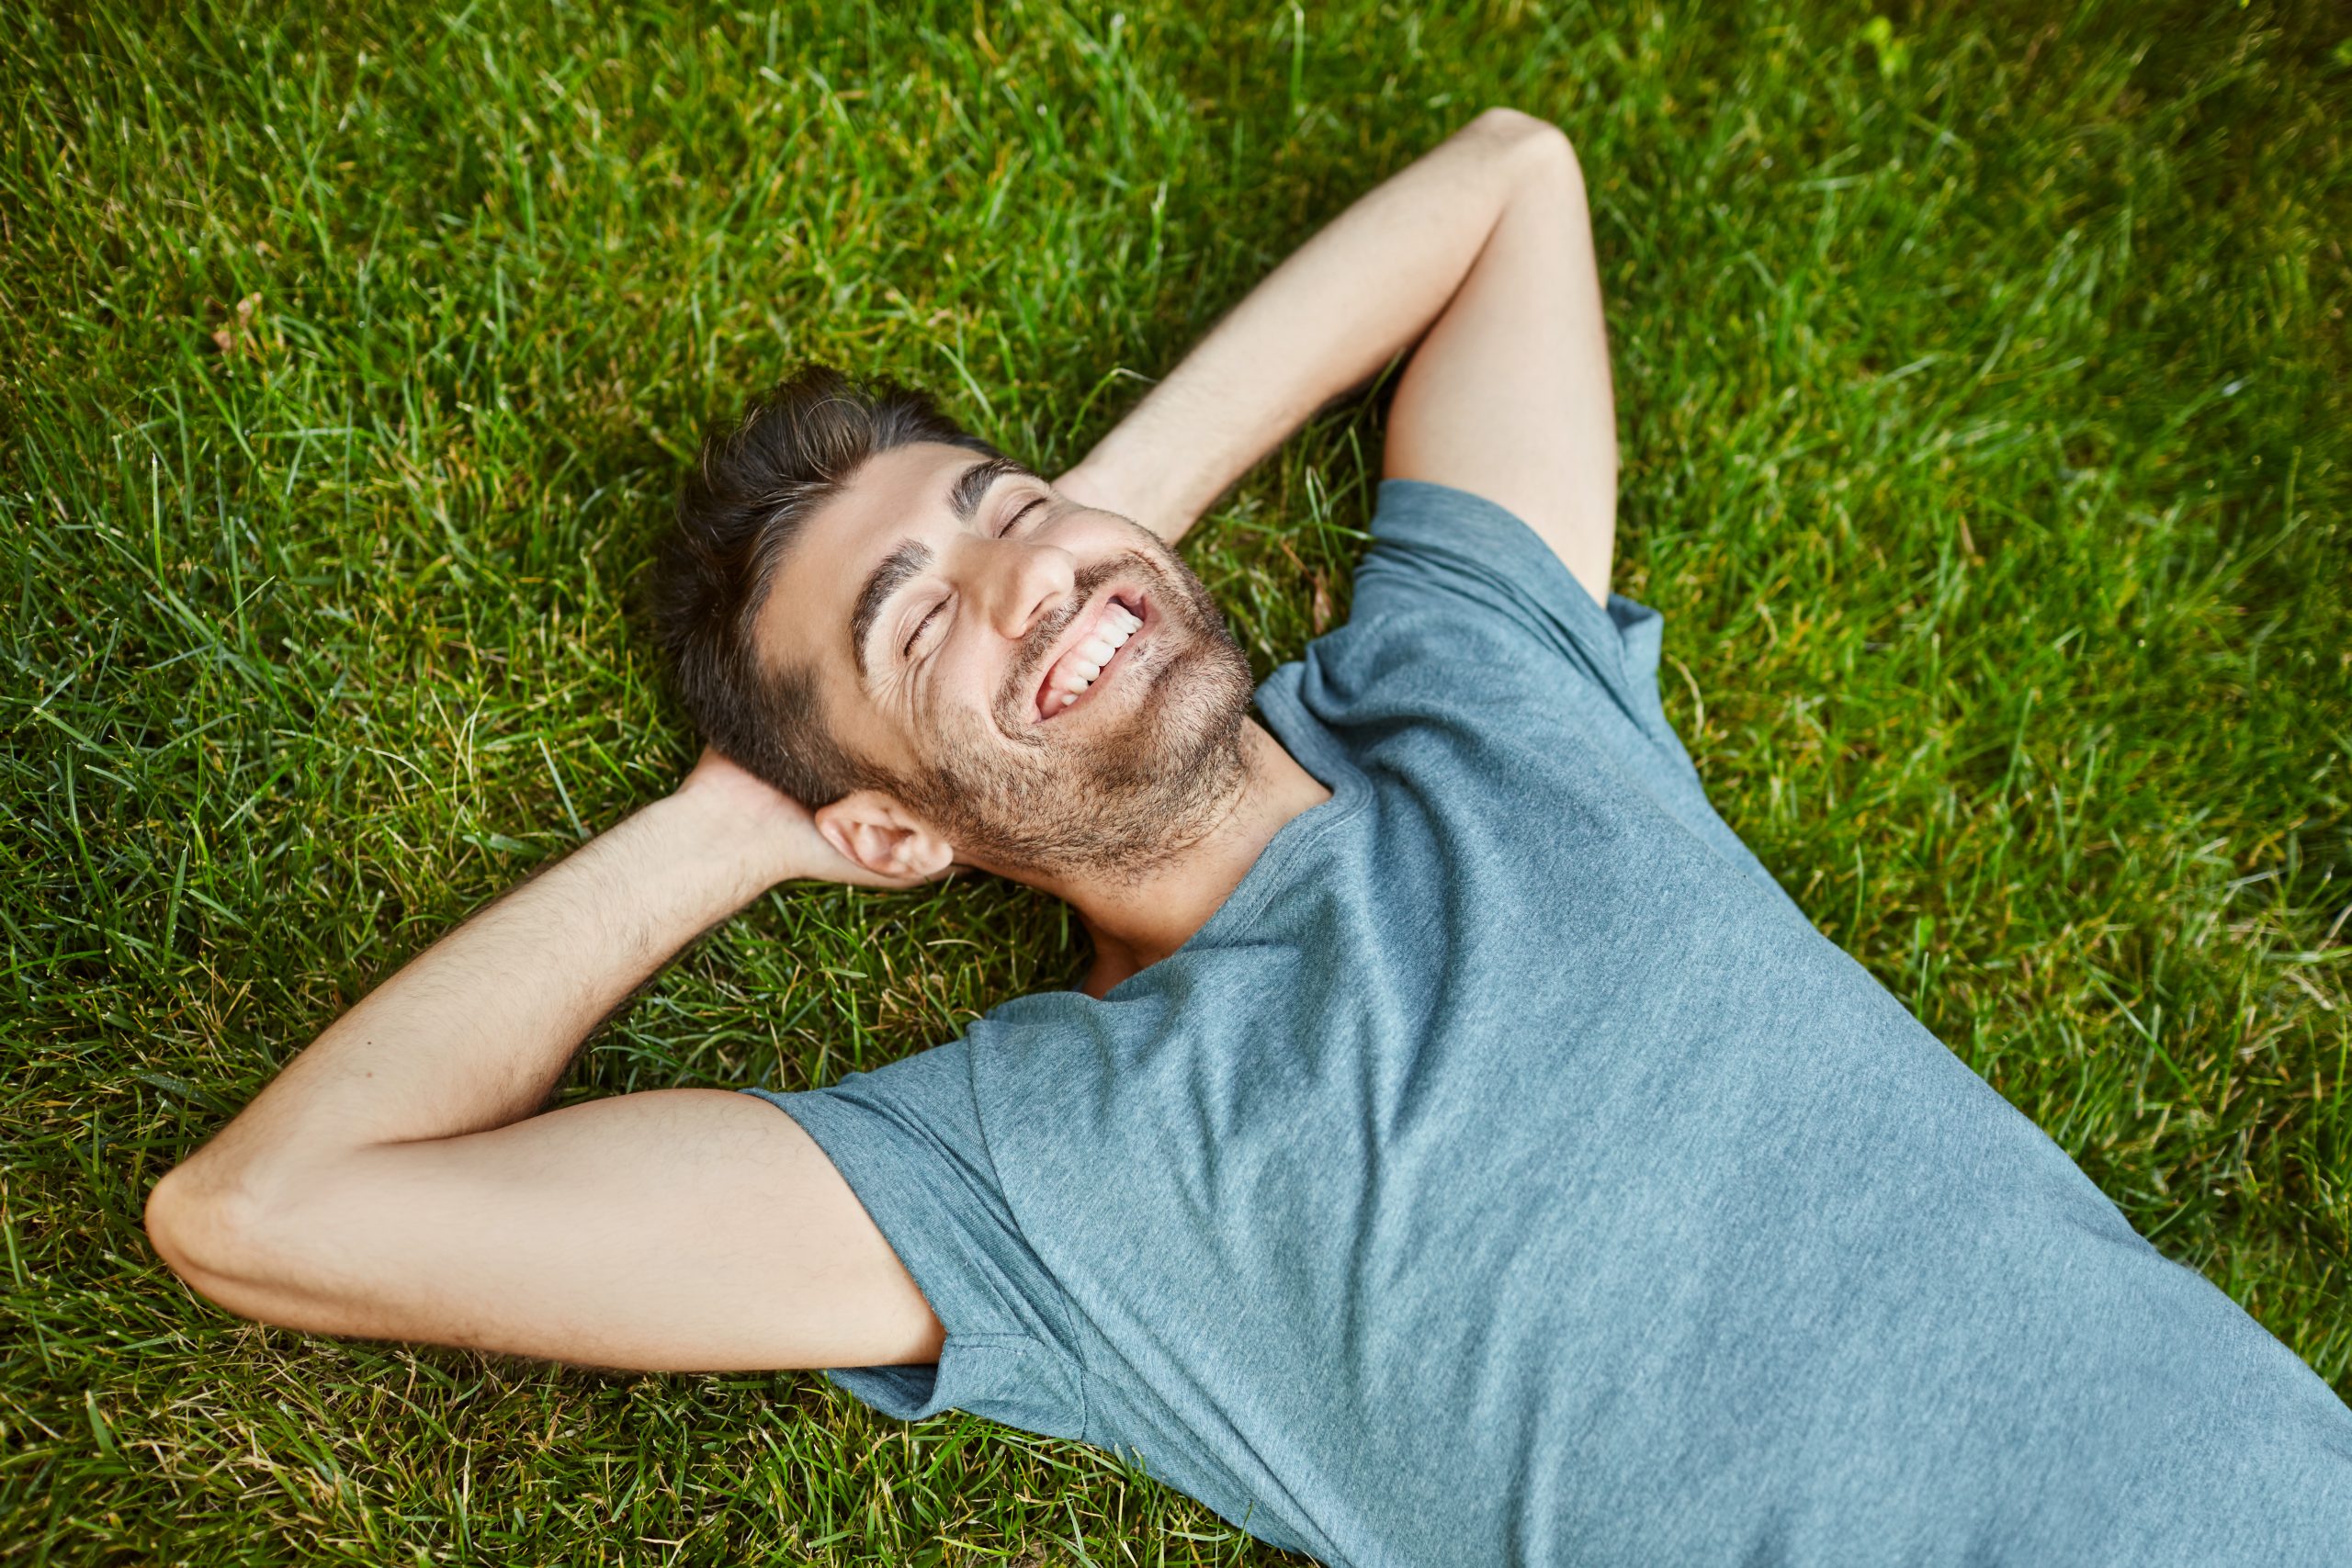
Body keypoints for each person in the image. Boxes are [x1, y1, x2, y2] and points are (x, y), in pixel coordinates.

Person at [142, 107, 2351, 1566]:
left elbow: (1510, 183)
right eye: (912, 629)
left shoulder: (1473, 694)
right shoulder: (1037, 1175)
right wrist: (737, 832)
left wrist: (1066, 550)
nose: (1021, 576)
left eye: (998, 503)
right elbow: (263, 1210)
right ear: (890, 829)